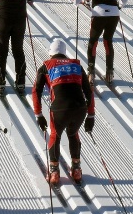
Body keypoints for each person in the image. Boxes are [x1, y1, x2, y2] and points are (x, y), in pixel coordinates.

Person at [33, 38, 95, 186]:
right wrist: (91, 115)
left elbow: (36, 91)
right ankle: (76, 169)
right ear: (64, 53)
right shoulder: (77, 66)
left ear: (50, 53)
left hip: (60, 108)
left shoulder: (45, 66)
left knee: (55, 135)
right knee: (73, 133)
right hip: (80, 108)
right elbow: (89, 91)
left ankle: (54, 171)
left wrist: (39, 114)